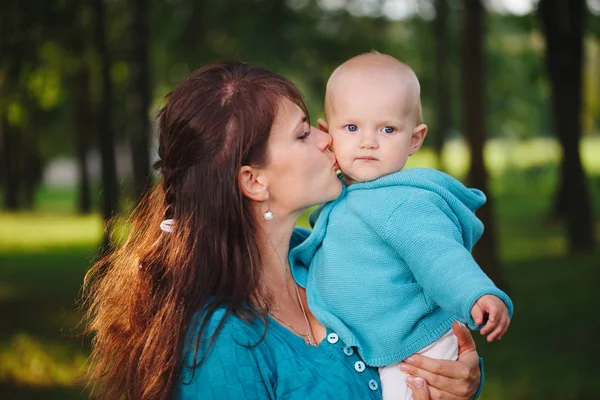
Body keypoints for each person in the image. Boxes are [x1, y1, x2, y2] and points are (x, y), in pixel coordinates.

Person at [83, 60, 484, 400]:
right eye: (303, 133)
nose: (329, 139)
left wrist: (457, 381)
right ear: (254, 181)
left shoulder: (327, 255)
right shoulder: (221, 345)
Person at [289, 52, 513, 400]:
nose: (368, 141)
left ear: (415, 139)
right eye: (352, 127)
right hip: (383, 348)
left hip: (416, 351)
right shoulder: (343, 199)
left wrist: (476, 293)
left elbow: (439, 255)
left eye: (388, 129)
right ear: (327, 133)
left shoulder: (403, 202)